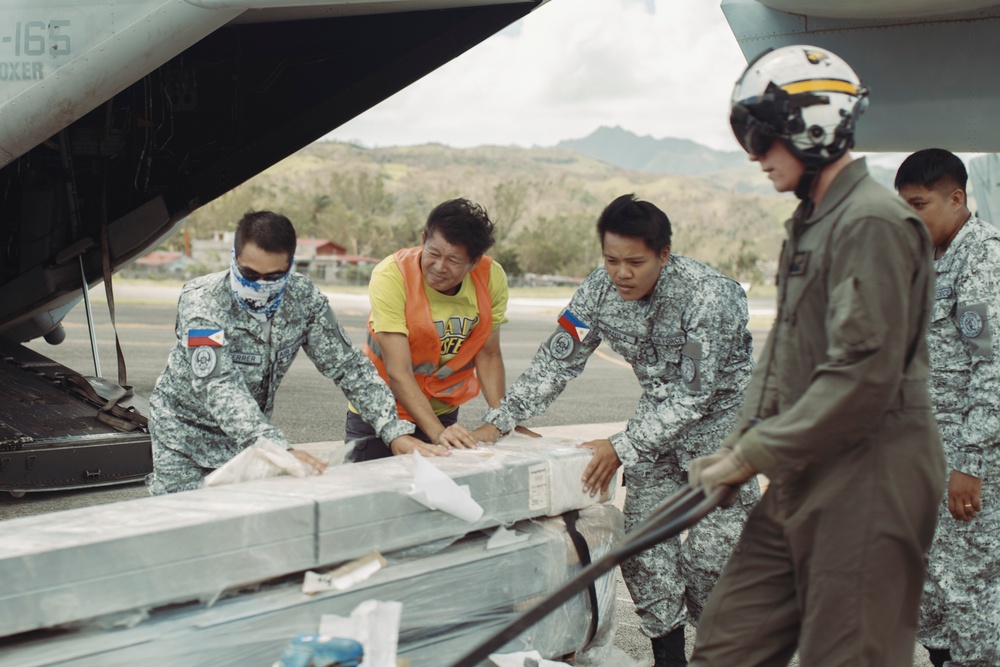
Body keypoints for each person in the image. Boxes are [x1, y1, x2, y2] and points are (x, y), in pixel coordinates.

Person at [687, 46, 946, 666]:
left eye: (760, 136)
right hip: (807, 464)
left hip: (871, 474)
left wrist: (752, 454)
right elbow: (784, 350)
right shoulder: (812, 223)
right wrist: (738, 447)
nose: (754, 156)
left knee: (849, 656)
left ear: (813, 128)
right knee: (728, 647)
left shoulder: (872, 223)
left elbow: (862, 377)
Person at [476, 193, 759, 667]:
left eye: (635, 261)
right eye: (611, 259)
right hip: (655, 435)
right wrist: (497, 421)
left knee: (712, 565)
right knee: (645, 552)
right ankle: (670, 659)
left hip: (721, 439)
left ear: (663, 255)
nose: (621, 273)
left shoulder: (711, 295)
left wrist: (621, 446)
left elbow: (695, 396)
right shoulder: (599, 290)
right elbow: (556, 361)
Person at [147, 210, 431, 494]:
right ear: (234, 257)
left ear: (290, 265)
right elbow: (218, 385)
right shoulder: (202, 301)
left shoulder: (303, 299)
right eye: (249, 274)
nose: (258, 285)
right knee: (182, 524)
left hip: (247, 443)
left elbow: (350, 367)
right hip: (184, 438)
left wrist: (393, 430)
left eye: (273, 276)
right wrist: (276, 448)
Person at [895, 148, 1000, 667]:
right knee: (932, 585)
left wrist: (970, 466)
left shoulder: (983, 261)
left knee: (969, 591)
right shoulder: (930, 259)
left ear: (957, 198)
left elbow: (993, 373)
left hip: (969, 462)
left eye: (919, 206)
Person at [344, 198, 509, 461]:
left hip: (443, 412)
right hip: (381, 412)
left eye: (454, 259)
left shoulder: (491, 277)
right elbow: (399, 371)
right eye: (433, 253)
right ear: (424, 239)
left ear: (475, 261)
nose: (440, 267)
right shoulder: (392, 275)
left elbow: (488, 355)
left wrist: (501, 421)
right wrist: (437, 434)